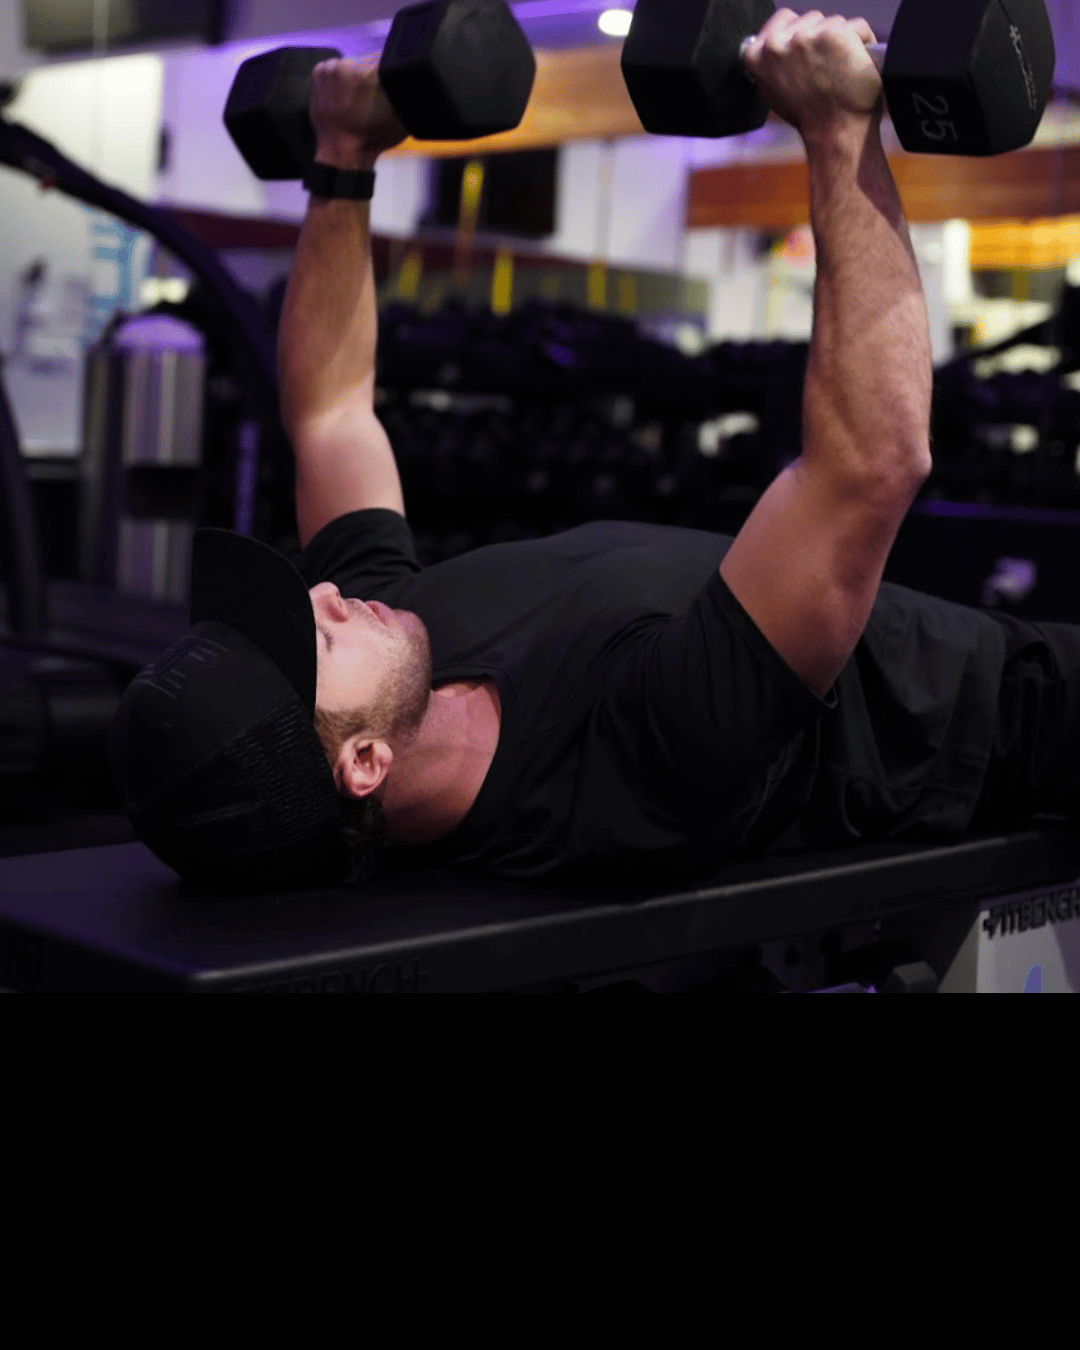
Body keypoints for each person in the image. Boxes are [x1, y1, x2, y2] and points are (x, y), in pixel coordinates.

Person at [109, 11, 1080, 895]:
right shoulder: (636, 766)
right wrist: (839, 134)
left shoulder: (398, 642)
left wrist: (342, 154)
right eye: (314, 637)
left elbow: (330, 416)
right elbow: (869, 469)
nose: (321, 594)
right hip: (1029, 725)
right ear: (363, 766)